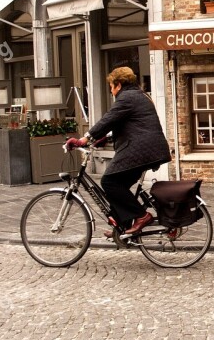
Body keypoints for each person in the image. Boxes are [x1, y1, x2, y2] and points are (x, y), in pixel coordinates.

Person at [67, 67, 170, 236]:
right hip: (149, 149)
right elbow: (125, 125)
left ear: (119, 85)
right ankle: (122, 226)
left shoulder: (127, 97)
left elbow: (108, 120)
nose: (111, 90)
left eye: (111, 86)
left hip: (141, 150)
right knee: (118, 187)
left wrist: (84, 139)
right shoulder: (140, 95)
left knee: (109, 182)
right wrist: (101, 140)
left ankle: (142, 216)